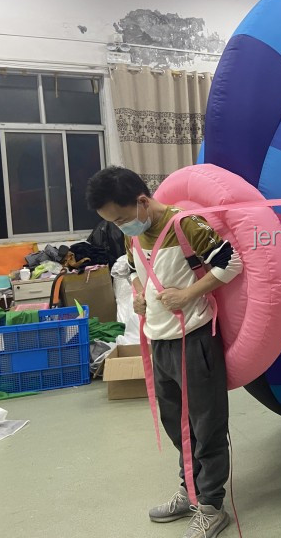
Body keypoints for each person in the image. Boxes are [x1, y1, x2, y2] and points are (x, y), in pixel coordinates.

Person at [86, 167, 242, 538]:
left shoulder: (185, 225)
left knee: (207, 426)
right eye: (113, 222)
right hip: (157, 340)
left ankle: (211, 506)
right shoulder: (132, 233)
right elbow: (137, 268)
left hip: (194, 338)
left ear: (142, 201)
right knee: (178, 424)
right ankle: (190, 488)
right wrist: (140, 293)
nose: (121, 227)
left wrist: (189, 294)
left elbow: (231, 262)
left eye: (122, 218)